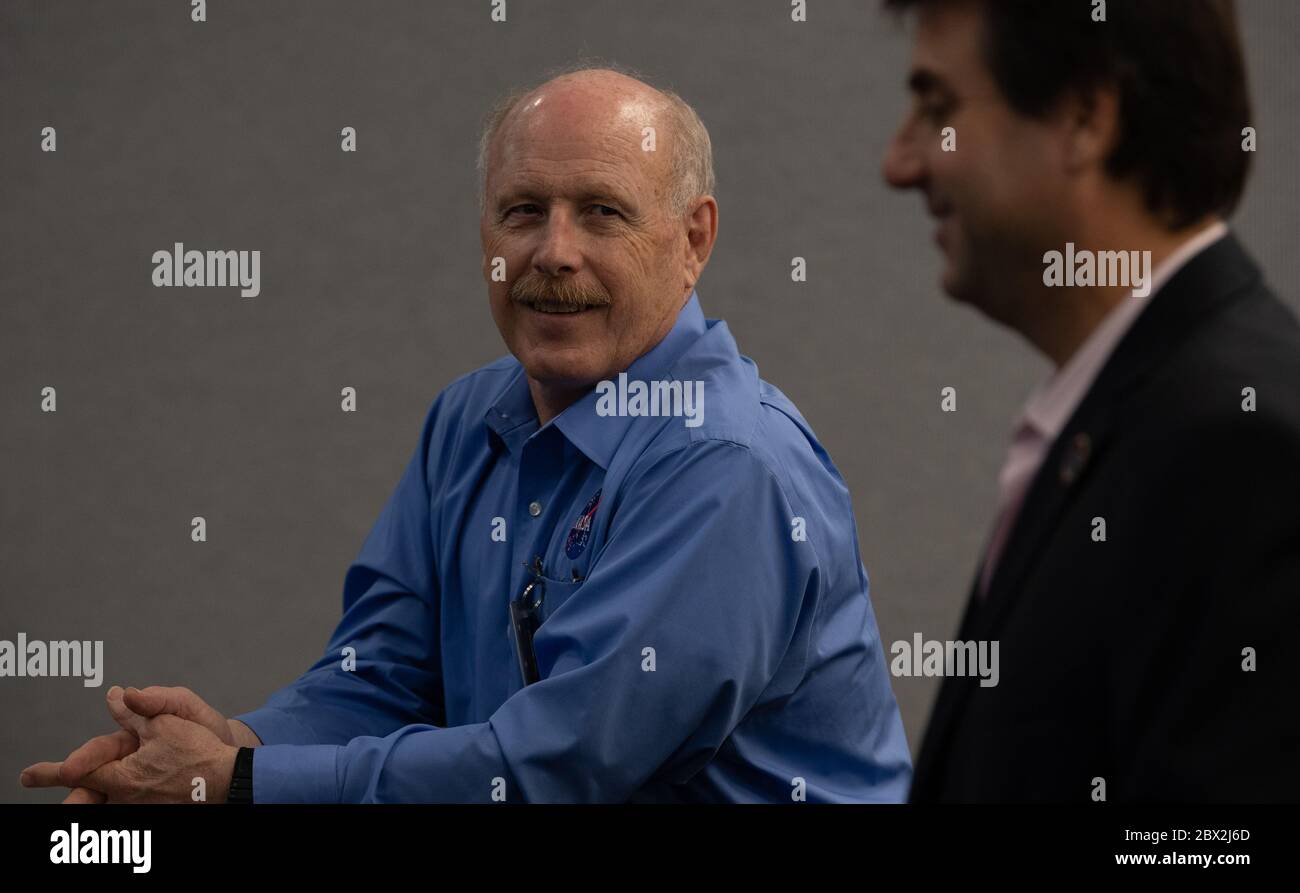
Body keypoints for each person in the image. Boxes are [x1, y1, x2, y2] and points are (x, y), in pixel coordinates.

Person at [21, 66, 911, 803]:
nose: (553, 251)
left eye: (602, 211)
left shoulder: (725, 466)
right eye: (523, 211)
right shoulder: (468, 419)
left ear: (693, 239)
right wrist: (235, 740)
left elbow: (562, 765)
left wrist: (241, 782)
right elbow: (382, 675)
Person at [881, 0, 1300, 801]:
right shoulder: (1134, 411)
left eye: (938, 109)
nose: (900, 162)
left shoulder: (1243, 450)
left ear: (1084, 117)